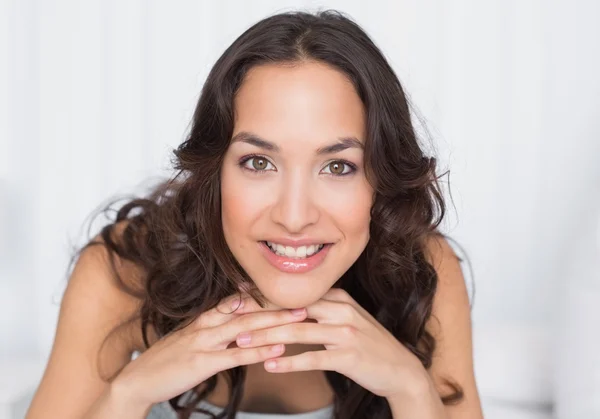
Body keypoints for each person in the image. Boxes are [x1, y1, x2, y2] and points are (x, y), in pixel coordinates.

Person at [26, 9, 483, 419]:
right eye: (259, 163)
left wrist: (410, 389)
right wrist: (128, 395)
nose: (294, 215)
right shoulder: (123, 270)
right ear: (214, 170)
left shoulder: (423, 271)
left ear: (380, 179)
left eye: (338, 167)